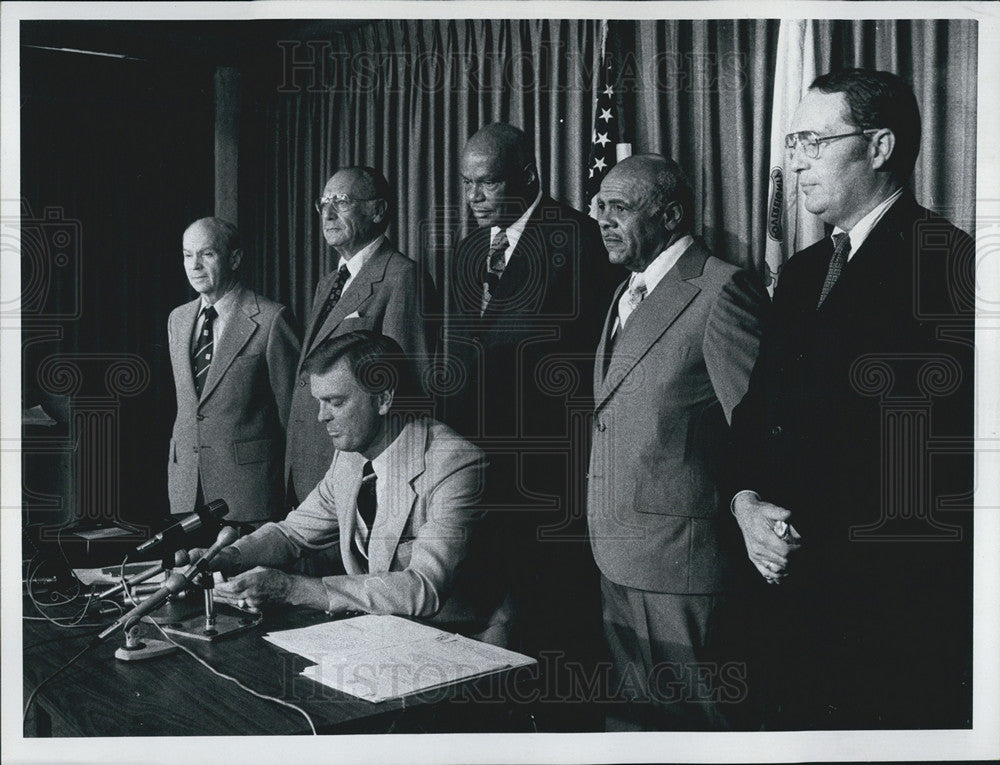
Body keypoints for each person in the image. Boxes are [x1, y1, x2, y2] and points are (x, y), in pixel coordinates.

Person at [730, 68, 974, 729]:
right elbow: (758, 414)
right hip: (778, 594)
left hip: (881, 611)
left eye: (814, 140)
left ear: (880, 146)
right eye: (793, 141)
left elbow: (932, 465)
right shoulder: (803, 272)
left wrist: (800, 536)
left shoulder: (947, 265)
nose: (796, 160)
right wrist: (744, 501)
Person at [444, 122, 619, 726]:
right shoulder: (468, 251)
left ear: (528, 177)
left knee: (549, 634)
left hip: (553, 477)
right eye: (467, 183)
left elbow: (601, 369)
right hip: (477, 470)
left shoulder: (580, 239)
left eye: (488, 182)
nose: (475, 197)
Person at [588, 155, 767, 730]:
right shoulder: (624, 293)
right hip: (616, 552)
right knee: (639, 726)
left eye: (620, 208)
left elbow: (758, 430)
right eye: (600, 207)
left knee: (701, 729)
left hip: (683, 566)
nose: (603, 220)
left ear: (670, 215)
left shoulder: (721, 289)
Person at [198, 331, 511, 645]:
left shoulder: (455, 464)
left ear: (383, 399)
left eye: (335, 402)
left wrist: (290, 588)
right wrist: (227, 556)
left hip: (463, 640)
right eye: (319, 402)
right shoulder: (348, 459)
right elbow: (292, 533)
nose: (322, 417)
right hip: (385, 633)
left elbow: (425, 589)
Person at [285, 166, 439, 508]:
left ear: (378, 210)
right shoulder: (328, 283)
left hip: (360, 476)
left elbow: (408, 394)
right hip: (310, 469)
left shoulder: (402, 277)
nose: (327, 213)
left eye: (341, 201)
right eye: (322, 202)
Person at [166, 217, 300, 528]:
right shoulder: (178, 319)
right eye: (188, 255)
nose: (195, 266)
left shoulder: (271, 319)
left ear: (235, 258)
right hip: (186, 485)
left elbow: (294, 417)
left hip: (248, 492)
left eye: (207, 254)